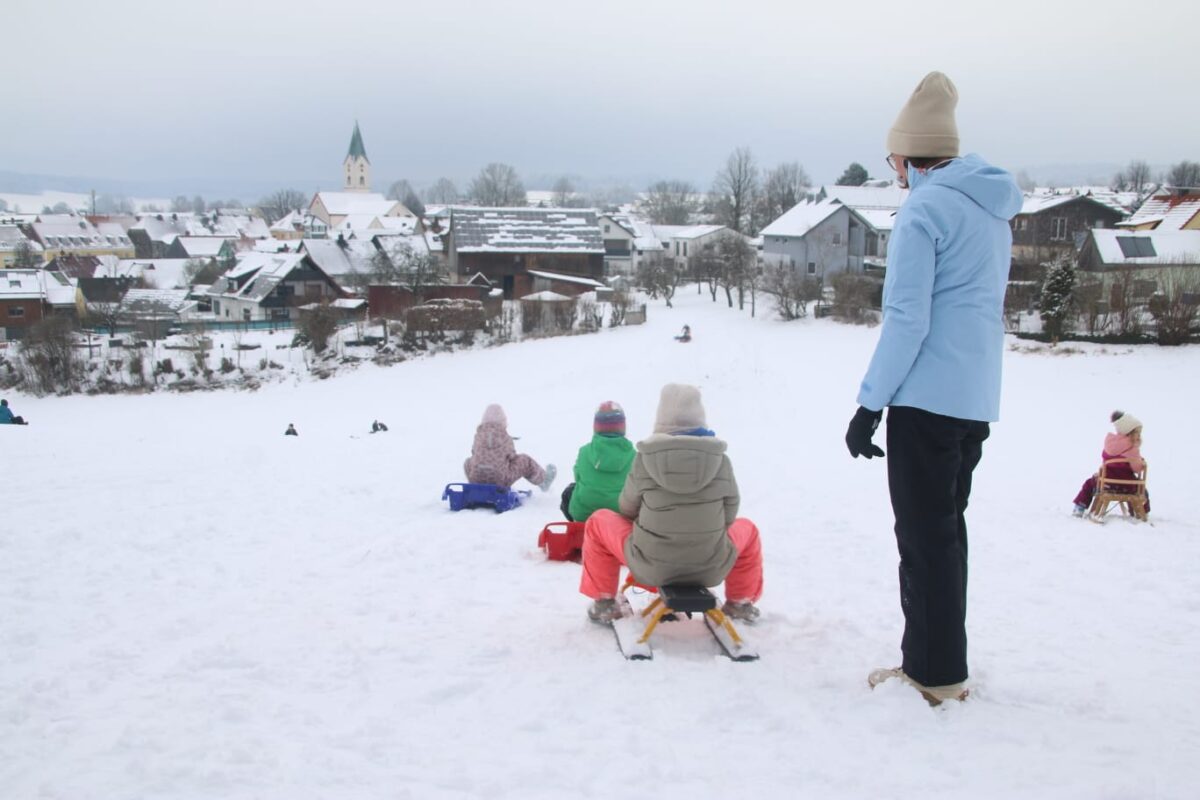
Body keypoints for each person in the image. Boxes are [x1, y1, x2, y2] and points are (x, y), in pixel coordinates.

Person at [844, 71, 1022, 706]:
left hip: (924, 402)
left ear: (907, 153)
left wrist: (869, 403)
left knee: (924, 543)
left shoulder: (925, 207)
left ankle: (934, 675)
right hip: (974, 400)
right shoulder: (990, 206)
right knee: (948, 535)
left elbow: (907, 317)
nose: (891, 167)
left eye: (892, 155)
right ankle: (942, 664)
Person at [579, 384, 763, 624]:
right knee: (747, 528)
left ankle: (605, 602)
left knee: (598, 521)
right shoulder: (721, 461)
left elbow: (626, 508)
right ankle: (740, 603)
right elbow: (729, 515)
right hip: (711, 564)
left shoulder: (645, 459)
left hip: (650, 564)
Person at [560, 401, 635, 522]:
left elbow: (578, 477)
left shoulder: (584, 452)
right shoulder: (634, 456)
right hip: (621, 517)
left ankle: (579, 529)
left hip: (585, 516)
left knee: (569, 491)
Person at [464, 404, 556, 491]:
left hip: (476, 480)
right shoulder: (504, 437)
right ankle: (543, 481)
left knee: (468, 461)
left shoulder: (478, 436)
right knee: (524, 460)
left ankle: (477, 486)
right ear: (503, 421)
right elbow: (512, 457)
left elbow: (474, 453)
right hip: (500, 481)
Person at [1073, 411, 1148, 516]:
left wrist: (1101, 475)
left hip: (1106, 484)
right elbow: (1137, 468)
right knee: (1142, 490)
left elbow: (1105, 462)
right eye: (1138, 433)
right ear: (1131, 433)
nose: (1139, 436)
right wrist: (1141, 463)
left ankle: (1080, 507)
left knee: (1089, 484)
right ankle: (1139, 511)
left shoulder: (1109, 444)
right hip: (1127, 486)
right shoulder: (1132, 449)